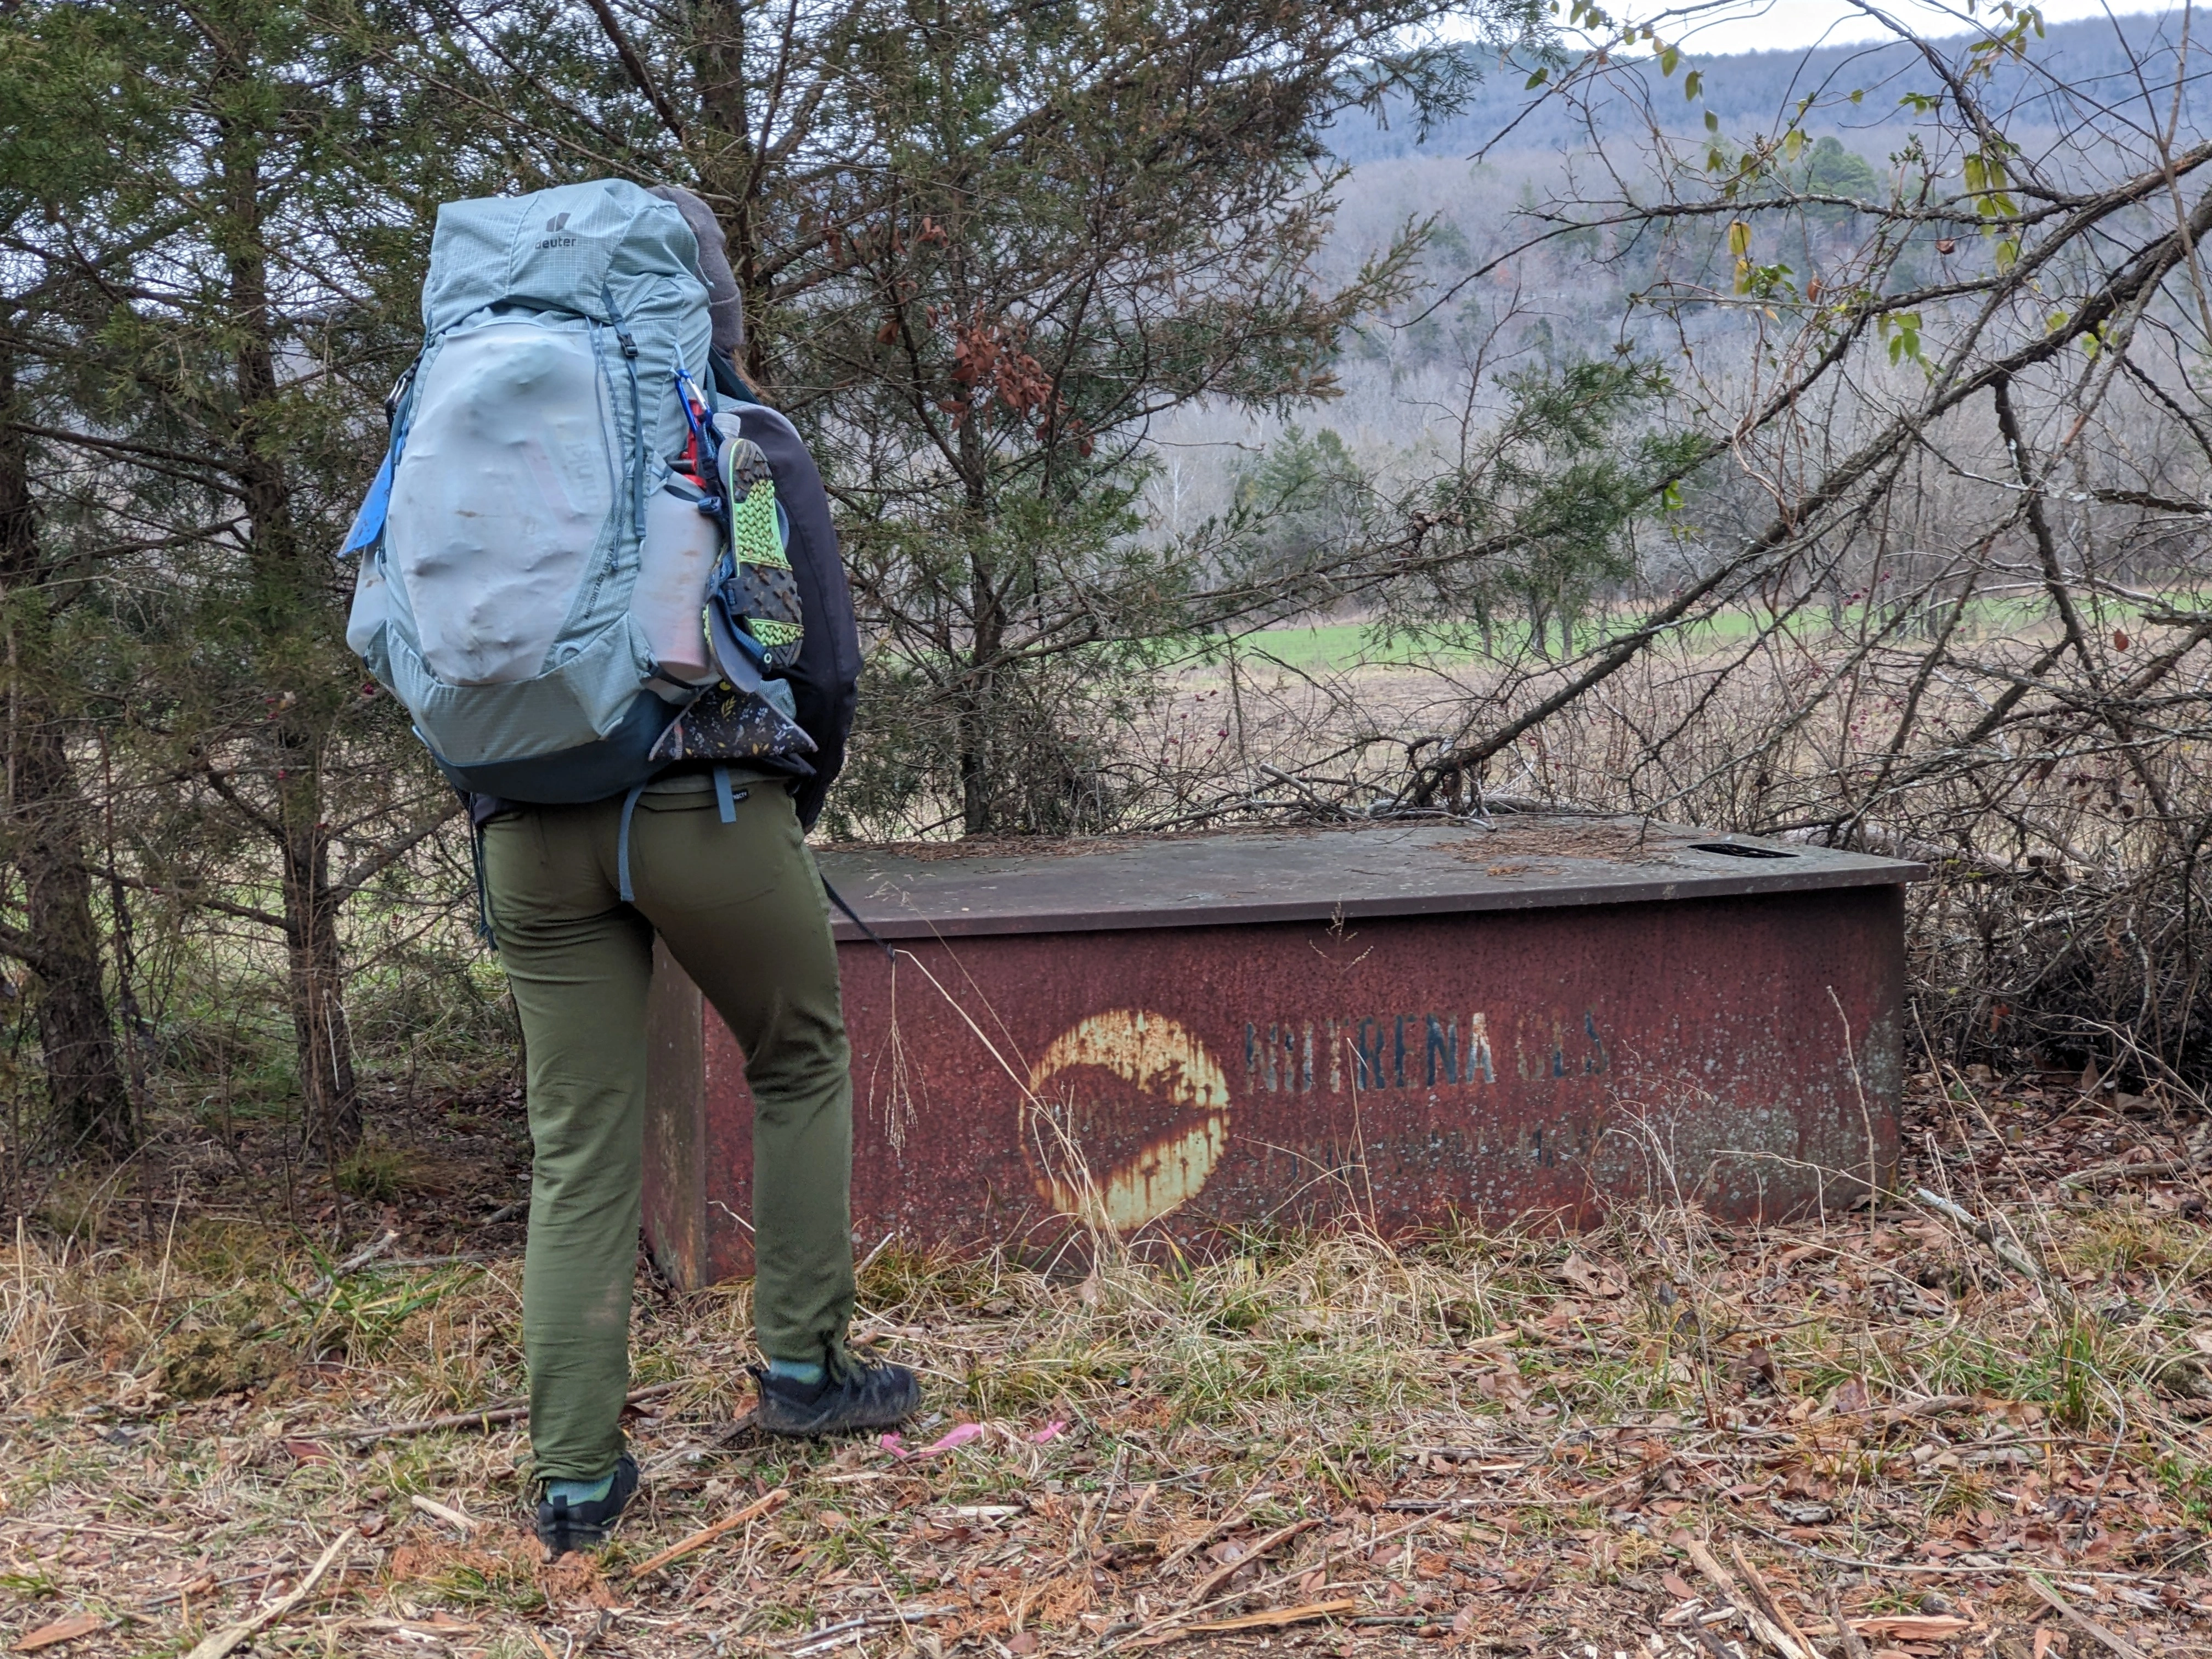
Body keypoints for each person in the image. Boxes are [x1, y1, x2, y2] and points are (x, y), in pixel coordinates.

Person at [470, 184, 919, 1556]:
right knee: (797, 1057)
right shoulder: (734, 437)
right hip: (704, 800)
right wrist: (796, 803)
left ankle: (575, 1484)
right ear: (705, 305)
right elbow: (816, 656)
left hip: (525, 822)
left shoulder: (478, 436)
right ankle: (802, 1370)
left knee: (578, 1140)